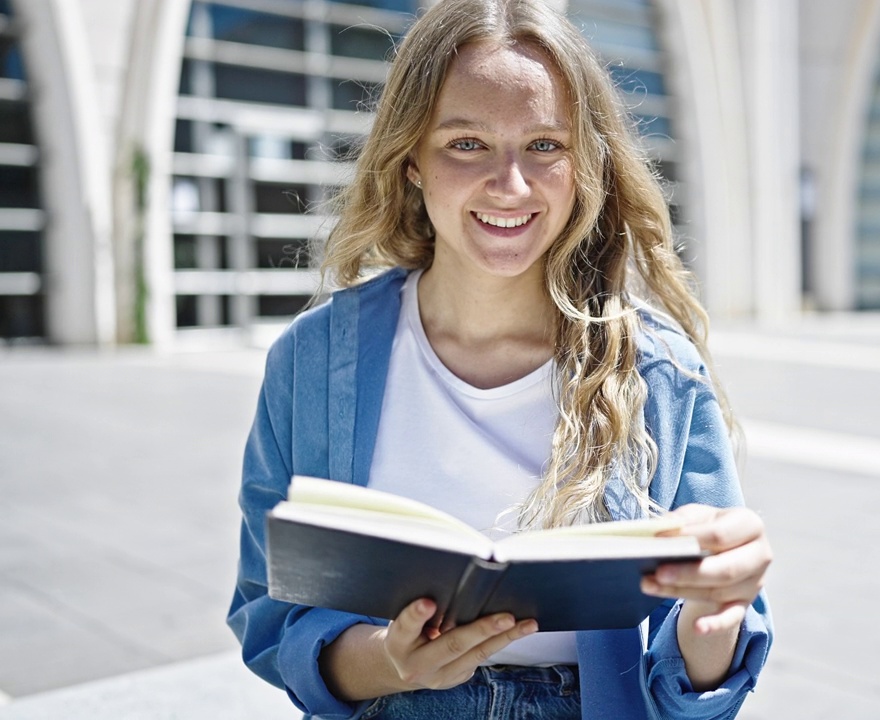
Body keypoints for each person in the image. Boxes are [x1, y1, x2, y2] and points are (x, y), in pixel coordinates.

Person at [227, 0, 773, 718]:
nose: (510, 184)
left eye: (545, 145)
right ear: (412, 160)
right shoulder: (313, 360)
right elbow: (269, 618)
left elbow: (692, 691)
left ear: (586, 165)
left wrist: (716, 621)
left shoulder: (658, 372)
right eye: (466, 144)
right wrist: (392, 662)